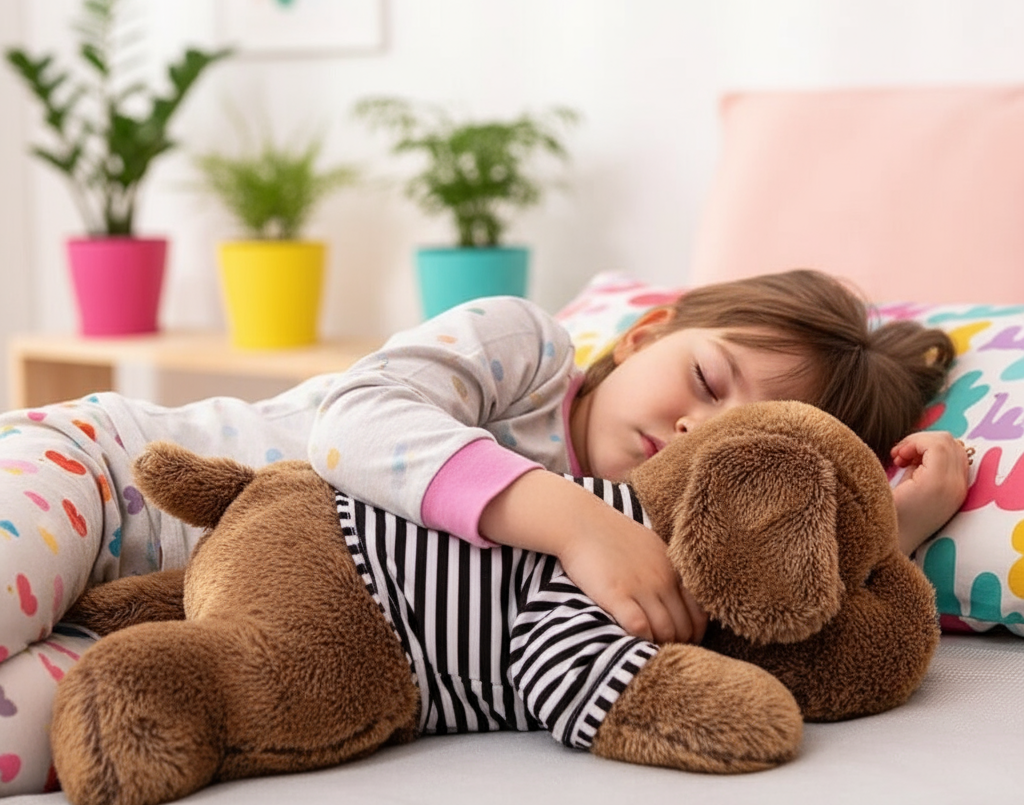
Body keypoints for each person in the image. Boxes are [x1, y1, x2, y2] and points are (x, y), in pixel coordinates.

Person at [0, 269, 969, 794]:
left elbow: (772, 582)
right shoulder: (524, 349)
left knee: (35, 745)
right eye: (704, 382)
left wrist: (898, 522)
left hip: (184, 623)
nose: (689, 430)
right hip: (107, 477)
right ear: (645, 334)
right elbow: (356, 422)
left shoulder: (653, 536)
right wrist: (572, 521)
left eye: (728, 435)